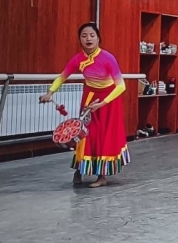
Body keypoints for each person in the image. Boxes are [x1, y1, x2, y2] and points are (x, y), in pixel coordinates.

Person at [39, 23, 129, 188]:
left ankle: (102, 176)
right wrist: (50, 93)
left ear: (98, 38)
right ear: (79, 39)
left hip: (109, 101)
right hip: (90, 98)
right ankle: (79, 170)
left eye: (92, 35)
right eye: (84, 35)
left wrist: (103, 103)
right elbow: (62, 76)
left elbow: (121, 86)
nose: (88, 39)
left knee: (103, 136)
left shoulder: (108, 58)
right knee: (82, 134)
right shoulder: (78, 59)